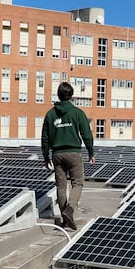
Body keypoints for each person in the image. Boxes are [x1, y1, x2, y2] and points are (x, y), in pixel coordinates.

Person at [41, 82, 95, 230]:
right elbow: (86, 134)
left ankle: (65, 220)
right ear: (71, 96)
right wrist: (91, 152)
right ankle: (69, 210)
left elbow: (45, 137)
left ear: (58, 95)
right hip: (74, 153)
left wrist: (45, 156)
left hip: (57, 154)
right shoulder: (77, 113)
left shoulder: (50, 114)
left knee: (61, 186)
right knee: (77, 183)